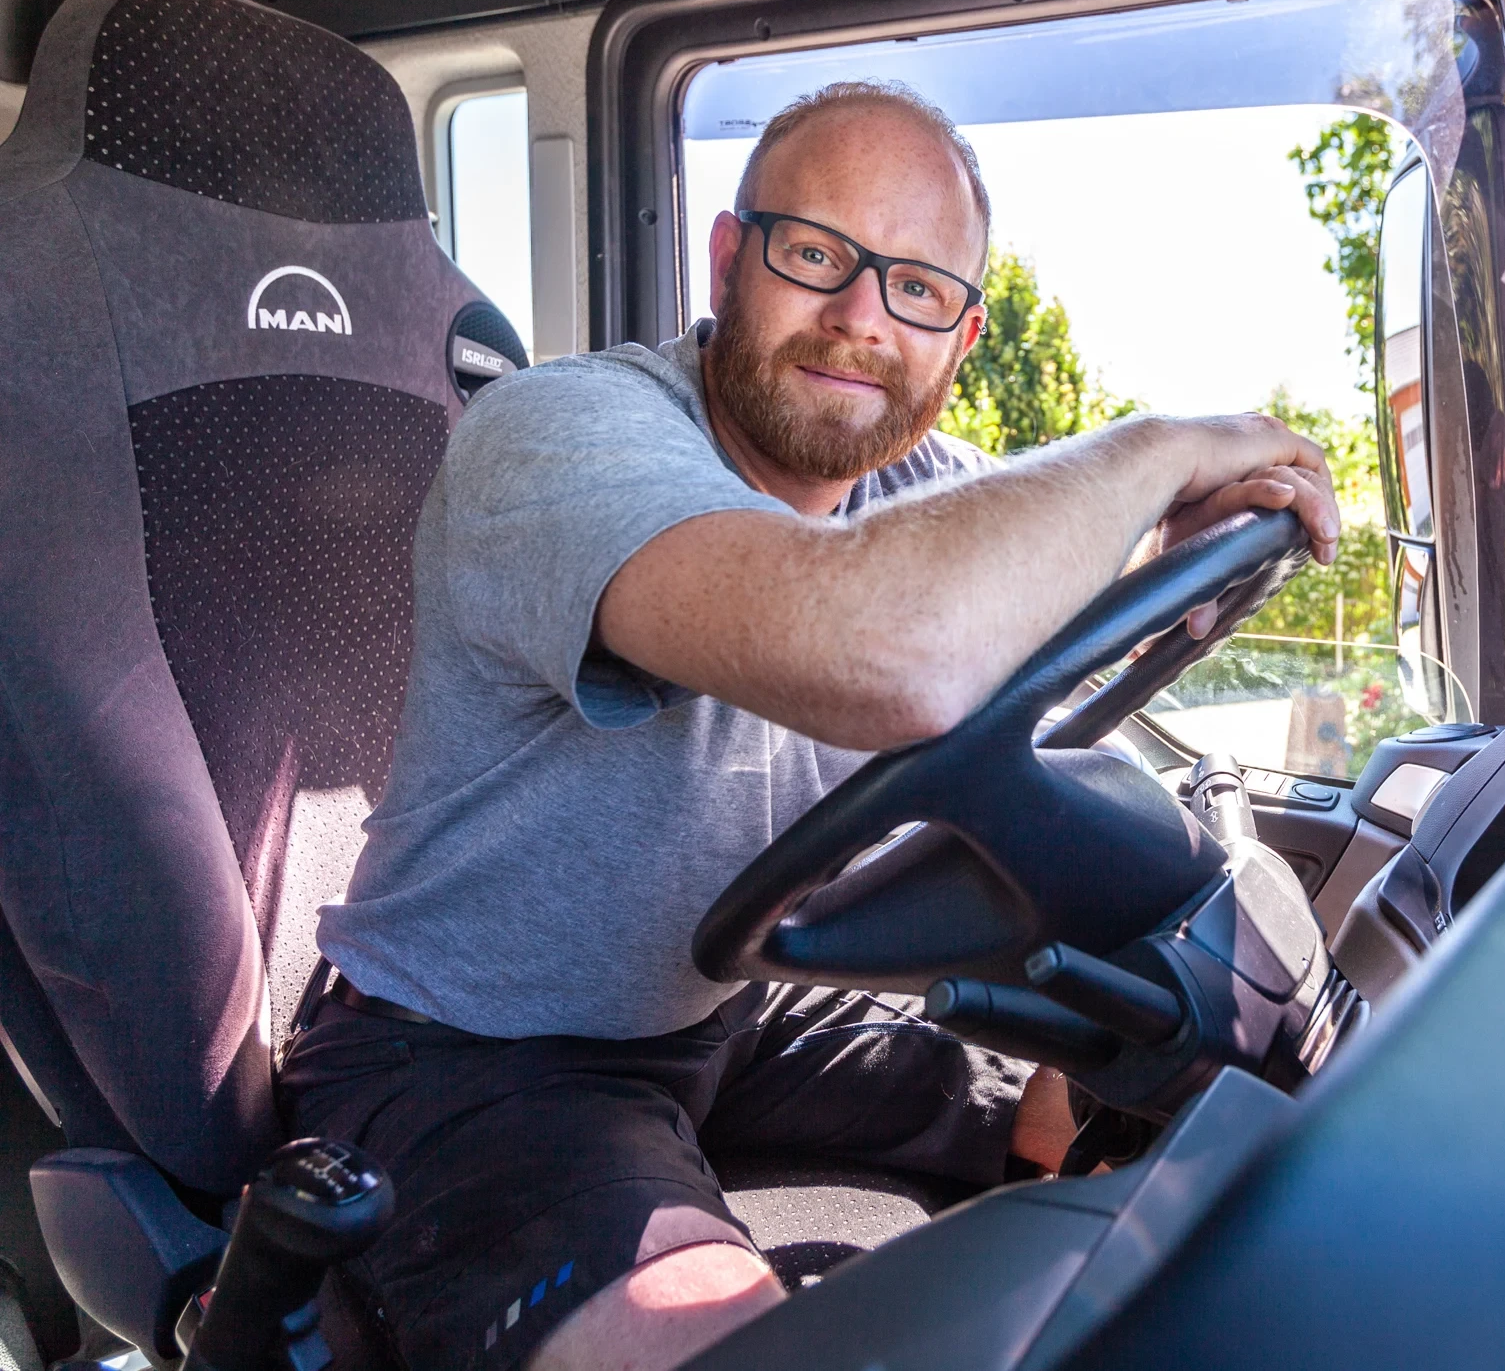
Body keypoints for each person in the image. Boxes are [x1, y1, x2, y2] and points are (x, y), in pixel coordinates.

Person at [280, 79, 1340, 1371]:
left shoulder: (914, 493)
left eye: (917, 289)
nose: (859, 318)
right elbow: (883, 648)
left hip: (746, 1007)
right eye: (817, 254)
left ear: (960, 338)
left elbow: (1014, 677)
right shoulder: (557, 431)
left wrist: (1170, 574)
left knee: (1145, 1084)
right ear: (732, 259)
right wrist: (1162, 445)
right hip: (481, 1050)